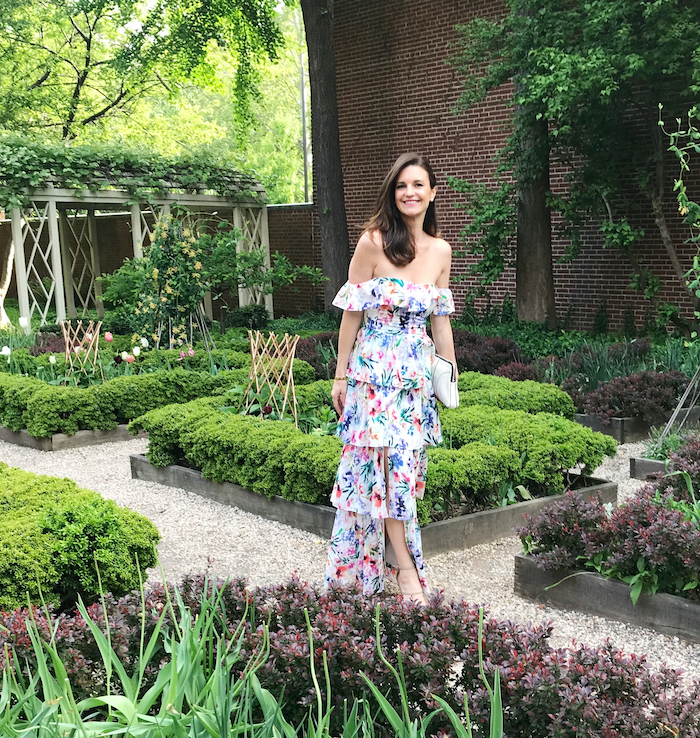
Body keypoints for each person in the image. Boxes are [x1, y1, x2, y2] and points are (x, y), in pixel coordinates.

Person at [325, 153, 457, 606]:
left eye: (419, 185)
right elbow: (351, 315)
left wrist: (449, 376)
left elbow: (440, 322)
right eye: (402, 185)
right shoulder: (372, 242)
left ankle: (392, 561)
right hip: (371, 379)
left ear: (432, 192)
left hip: (413, 382)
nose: (410, 193)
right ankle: (405, 572)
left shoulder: (441, 251)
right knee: (381, 473)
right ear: (393, 192)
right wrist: (340, 375)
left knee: (404, 473)